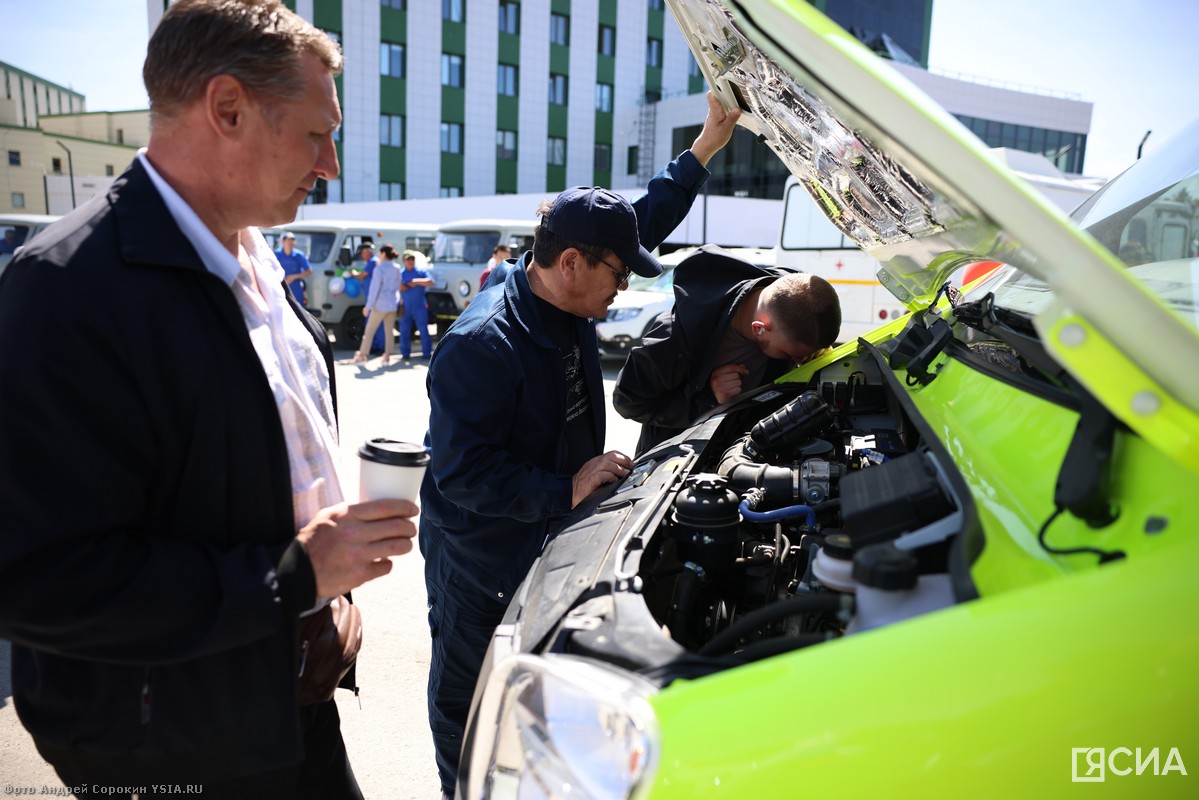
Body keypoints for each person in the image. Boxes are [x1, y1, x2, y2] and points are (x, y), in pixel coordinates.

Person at [0, 2, 418, 797]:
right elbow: (34, 578)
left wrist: (322, 603)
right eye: (315, 133)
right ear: (226, 108)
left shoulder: (257, 262)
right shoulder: (67, 290)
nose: (330, 163)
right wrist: (294, 579)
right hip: (168, 746)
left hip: (278, 699)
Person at [419, 92, 742, 800]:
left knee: (531, 697)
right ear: (571, 263)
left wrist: (706, 147)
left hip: (541, 538)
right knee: (469, 705)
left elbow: (641, 221)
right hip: (482, 557)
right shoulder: (482, 346)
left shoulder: (567, 287)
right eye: (617, 277)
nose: (622, 290)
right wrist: (563, 489)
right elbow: (460, 472)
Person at [614, 245, 842, 453]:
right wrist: (708, 399)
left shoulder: (793, 298)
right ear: (759, 328)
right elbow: (628, 401)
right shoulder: (675, 337)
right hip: (677, 468)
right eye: (790, 355)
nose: (799, 362)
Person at [350, 243, 402, 366]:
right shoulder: (397, 267)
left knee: (369, 331)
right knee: (389, 332)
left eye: (380, 252)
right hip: (392, 304)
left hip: (380, 305)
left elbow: (374, 289)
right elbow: (398, 286)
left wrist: (368, 306)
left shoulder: (379, 269)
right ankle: (387, 357)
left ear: (383, 254)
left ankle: (362, 356)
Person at [399, 249, 434, 359]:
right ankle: (405, 354)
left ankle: (426, 353)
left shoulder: (421, 271)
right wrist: (401, 286)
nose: (410, 261)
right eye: (408, 259)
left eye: (412, 259)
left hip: (420, 306)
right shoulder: (400, 273)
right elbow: (394, 285)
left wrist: (417, 281)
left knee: (423, 330)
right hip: (405, 306)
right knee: (404, 331)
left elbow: (431, 281)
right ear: (403, 261)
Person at [276, 230, 313, 306]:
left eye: (292, 240)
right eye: (288, 240)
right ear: (283, 241)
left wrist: (293, 277)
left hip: (296, 290)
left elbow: (309, 271)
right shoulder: (277, 254)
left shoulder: (299, 255)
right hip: (280, 288)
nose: (290, 243)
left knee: (297, 311)